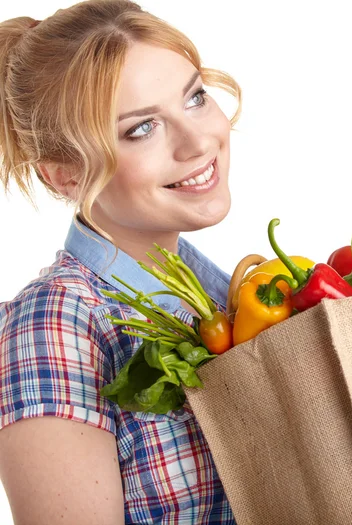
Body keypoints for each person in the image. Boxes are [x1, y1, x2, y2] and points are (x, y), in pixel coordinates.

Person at [0, 1, 241, 523]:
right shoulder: (56, 325)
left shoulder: (234, 301)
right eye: (142, 129)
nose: (199, 141)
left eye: (195, 98)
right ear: (66, 177)